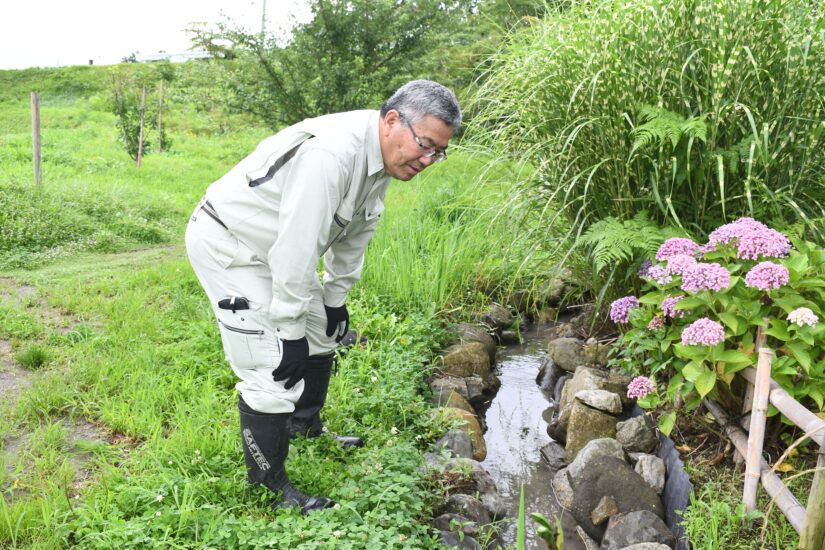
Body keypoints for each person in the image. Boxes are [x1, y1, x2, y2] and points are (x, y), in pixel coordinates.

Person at [185, 80, 461, 514]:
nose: (428, 159)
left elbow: (356, 233)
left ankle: (303, 425)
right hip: (232, 244)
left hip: (276, 248)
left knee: (323, 329)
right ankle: (269, 486)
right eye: (426, 145)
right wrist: (289, 330)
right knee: (272, 360)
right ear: (392, 121)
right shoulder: (332, 156)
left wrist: (334, 300)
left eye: (438, 152)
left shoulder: (381, 160)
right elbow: (295, 248)